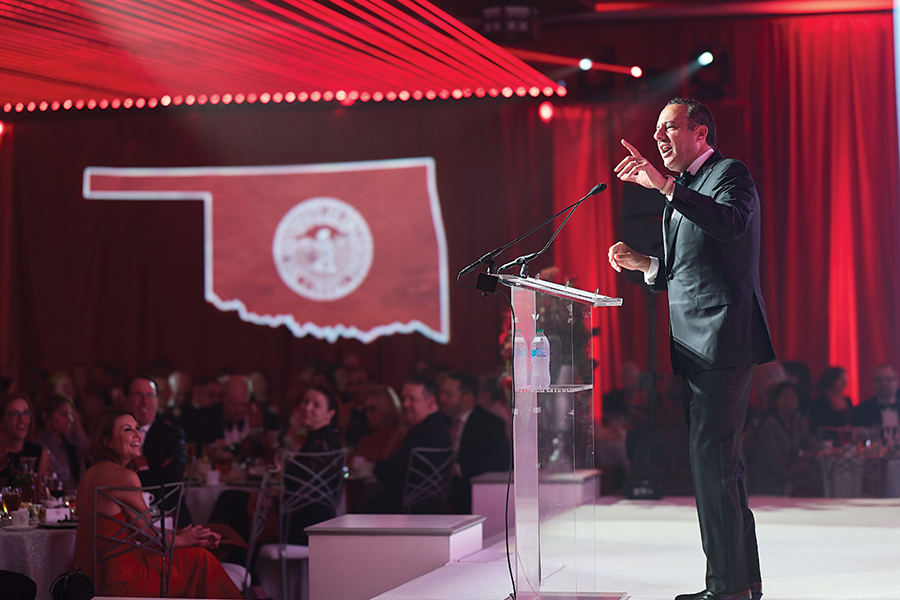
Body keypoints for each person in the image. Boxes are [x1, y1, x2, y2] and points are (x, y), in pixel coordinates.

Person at [608, 98, 776, 600]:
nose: (659, 138)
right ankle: (741, 583)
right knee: (721, 467)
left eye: (669, 128)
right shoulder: (684, 191)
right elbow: (692, 272)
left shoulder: (728, 173)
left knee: (712, 465)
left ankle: (725, 588)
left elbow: (730, 225)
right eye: (657, 129)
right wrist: (645, 265)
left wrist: (664, 187)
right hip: (699, 343)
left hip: (723, 337)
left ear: (700, 133)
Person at [73, 408, 242, 597]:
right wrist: (186, 539)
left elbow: (140, 533)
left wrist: (181, 535)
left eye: (137, 428)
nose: (137, 434)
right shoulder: (124, 477)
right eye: (128, 429)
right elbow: (150, 539)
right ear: (107, 441)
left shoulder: (90, 474)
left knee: (193, 556)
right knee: (200, 558)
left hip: (92, 576)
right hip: (121, 580)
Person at [366, 375, 451, 514]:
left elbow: (390, 471)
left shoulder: (424, 434)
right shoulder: (439, 426)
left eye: (412, 399)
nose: (405, 404)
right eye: (403, 398)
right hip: (428, 504)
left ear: (430, 401)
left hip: (410, 509)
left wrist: (378, 466)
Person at [123, 375, 192, 527]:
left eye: (150, 395)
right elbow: (110, 476)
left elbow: (173, 474)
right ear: (126, 399)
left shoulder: (171, 434)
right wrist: (155, 466)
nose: (145, 401)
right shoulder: (116, 433)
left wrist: (132, 472)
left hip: (166, 513)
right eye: (138, 395)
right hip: (123, 514)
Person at [438, 371, 509, 514]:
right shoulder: (439, 420)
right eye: (442, 393)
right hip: (437, 498)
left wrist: (458, 469)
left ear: (468, 398)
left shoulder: (490, 423)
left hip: (472, 499)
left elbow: (501, 461)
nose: (442, 398)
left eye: (448, 394)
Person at [747, 383, 817, 496]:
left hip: (791, 476)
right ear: (775, 400)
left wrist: (805, 458)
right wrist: (796, 471)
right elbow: (774, 463)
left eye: (793, 396)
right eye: (784, 396)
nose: (788, 400)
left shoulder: (796, 420)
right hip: (771, 482)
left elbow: (811, 443)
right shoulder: (769, 425)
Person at [34, 393, 87, 490]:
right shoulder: (40, 445)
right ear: (46, 415)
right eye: (63, 414)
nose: (70, 420)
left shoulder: (72, 443)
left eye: (70, 414)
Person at [0, 392, 51, 483]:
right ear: (2, 421)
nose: (22, 420)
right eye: (14, 414)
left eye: (26, 413)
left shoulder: (40, 454)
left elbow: (40, 494)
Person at [852, 365, 900, 434]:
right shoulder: (861, 410)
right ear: (873, 384)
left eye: (888, 379)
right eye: (879, 380)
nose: (883, 383)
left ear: (896, 382)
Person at [809, 366, 853, 434]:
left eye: (845, 379)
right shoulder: (821, 401)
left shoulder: (847, 401)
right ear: (832, 380)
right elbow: (819, 424)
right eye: (841, 379)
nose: (844, 382)